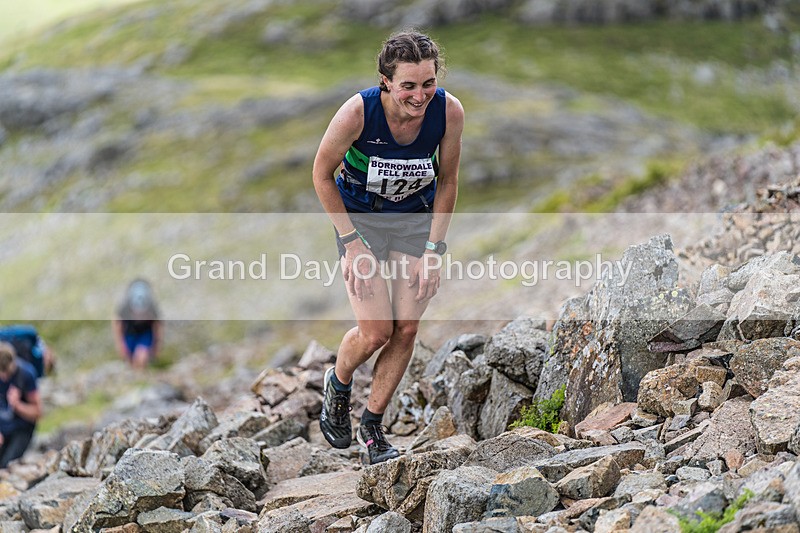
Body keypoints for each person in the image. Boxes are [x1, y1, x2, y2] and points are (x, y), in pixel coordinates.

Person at [312, 30, 463, 464]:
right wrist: (351, 243)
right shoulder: (358, 112)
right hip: (361, 220)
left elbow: (448, 181)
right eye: (408, 86)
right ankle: (338, 382)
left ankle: (372, 428)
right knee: (377, 331)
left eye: (428, 83)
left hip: (414, 219)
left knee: (408, 327)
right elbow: (322, 175)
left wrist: (435, 249)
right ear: (386, 82)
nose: (420, 96)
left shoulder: (449, 112)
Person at [0, 341, 42, 468]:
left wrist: (17, 405)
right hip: (3, 429)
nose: (4, 377)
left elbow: (38, 412)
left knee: (6, 466)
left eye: (7, 372)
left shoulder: (26, 374)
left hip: (21, 429)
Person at [113, 278, 163, 370]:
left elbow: (158, 327)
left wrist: (156, 345)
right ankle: (133, 377)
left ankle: (141, 375)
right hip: (129, 332)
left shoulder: (152, 308)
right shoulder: (125, 308)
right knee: (129, 358)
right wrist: (120, 345)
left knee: (141, 357)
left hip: (145, 333)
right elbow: (117, 325)